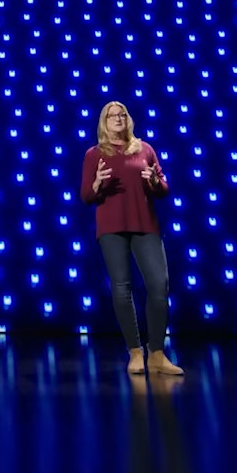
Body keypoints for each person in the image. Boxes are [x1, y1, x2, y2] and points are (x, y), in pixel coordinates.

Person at [77, 100, 184, 376]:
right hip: (112, 228)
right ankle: (135, 352)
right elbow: (87, 196)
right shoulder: (94, 154)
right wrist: (97, 183)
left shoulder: (145, 149)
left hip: (145, 224)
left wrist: (154, 182)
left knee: (159, 286)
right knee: (122, 289)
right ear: (104, 122)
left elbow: (163, 188)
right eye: (112, 115)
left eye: (122, 114)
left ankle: (157, 354)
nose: (118, 118)